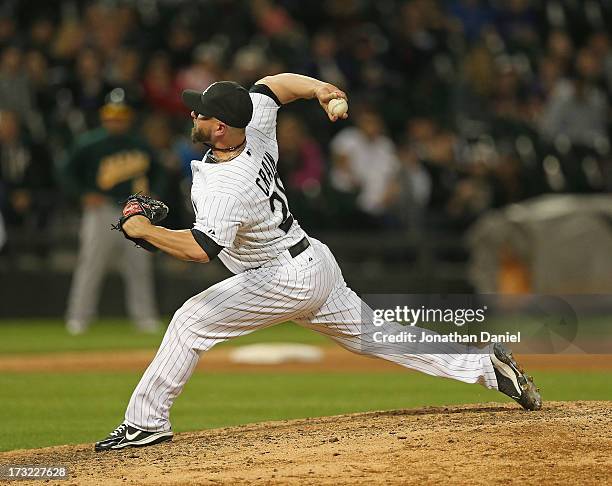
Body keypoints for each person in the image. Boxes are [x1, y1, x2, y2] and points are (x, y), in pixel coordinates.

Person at [94, 74, 541, 451]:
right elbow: (274, 86)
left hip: (281, 277)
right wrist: (323, 89)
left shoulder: (226, 185)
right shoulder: (254, 125)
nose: (193, 114)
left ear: (222, 127)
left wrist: (142, 230)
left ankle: (146, 422)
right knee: (375, 336)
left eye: (202, 113)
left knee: (191, 320)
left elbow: (199, 249)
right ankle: (485, 366)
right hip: (312, 261)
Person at [60, 88, 164, 335]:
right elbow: (66, 172)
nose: (116, 119)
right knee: (91, 265)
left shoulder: (140, 144)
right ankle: (78, 317)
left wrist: (155, 193)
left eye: (121, 114)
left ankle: (145, 317)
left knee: (139, 267)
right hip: (102, 209)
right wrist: (82, 194)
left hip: (135, 212)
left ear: (129, 116)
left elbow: (160, 173)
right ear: (104, 115)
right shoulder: (90, 143)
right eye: (112, 114)